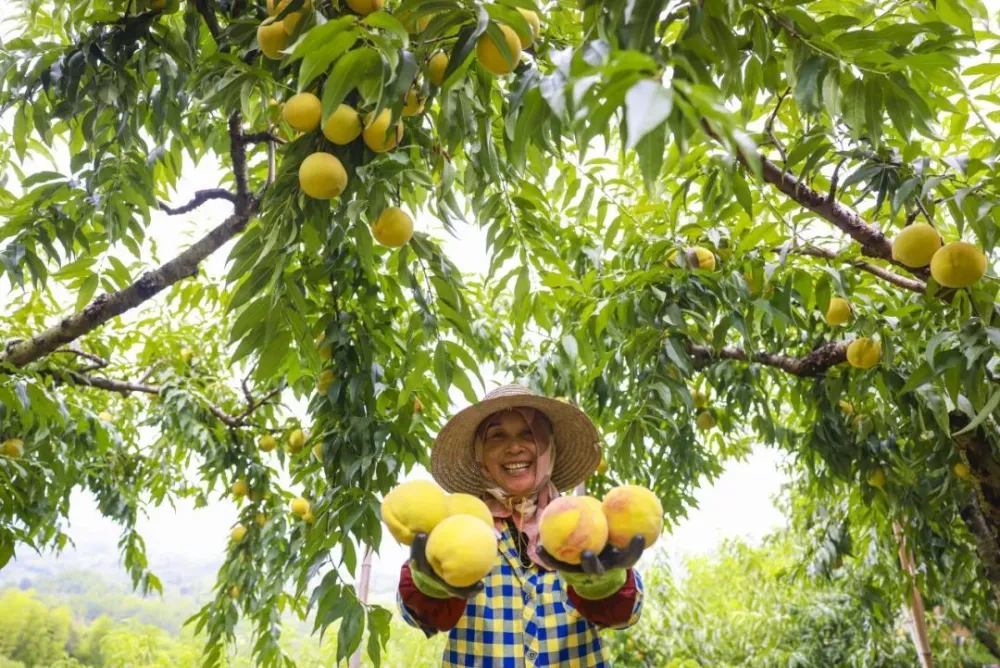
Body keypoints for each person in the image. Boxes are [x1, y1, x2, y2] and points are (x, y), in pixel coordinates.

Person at [396, 384, 647, 667]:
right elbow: (414, 615)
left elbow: (628, 614)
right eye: (497, 435)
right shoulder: (457, 524)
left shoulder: (585, 522)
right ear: (480, 456)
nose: (514, 447)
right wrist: (430, 583)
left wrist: (605, 581)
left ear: (548, 447)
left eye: (528, 433)